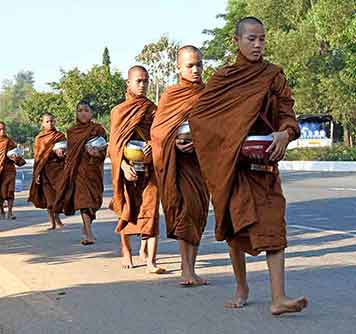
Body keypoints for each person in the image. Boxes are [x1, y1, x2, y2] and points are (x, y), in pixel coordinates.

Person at [190, 17, 308, 315]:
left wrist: (286, 132)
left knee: (274, 229)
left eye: (262, 39)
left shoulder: (273, 76)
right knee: (235, 229)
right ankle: (242, 286)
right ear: (237, 41)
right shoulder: (223, 79)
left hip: (264, 164)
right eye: (251, 39)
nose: (257, 45)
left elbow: (287, 113)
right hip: (234, 168)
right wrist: (231, 142)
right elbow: (201, 119)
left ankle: (278, 297)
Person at [151, 45, 210, 286]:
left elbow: (218, 128)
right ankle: (186, 269)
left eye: (199, 65)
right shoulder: (170, 95)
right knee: (185, 213)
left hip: (201, 164)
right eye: (190, 66)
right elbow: (157, 130)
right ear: (179, 68)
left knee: (198, 214)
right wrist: (174, 141)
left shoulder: (209, 94)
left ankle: (193, 269)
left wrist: (200, 141)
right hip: (179, 165)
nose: (195, 70)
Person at [109, 66, 164, 274]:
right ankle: (126, 251)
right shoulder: (119, 111)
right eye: (138, 81)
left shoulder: (153, 109)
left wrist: (153, 143)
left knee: (151, 210)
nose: (142, 85)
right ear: (128, 83)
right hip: (127, 169)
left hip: (149, 169)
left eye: (146, 81)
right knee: (127, 209)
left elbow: (160, 135)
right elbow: (114, 145)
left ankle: (151, 261)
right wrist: (122, 166)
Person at [54, 101, 106, 244]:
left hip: (93, 171)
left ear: (91, 113)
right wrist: (62, 154)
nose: (83, 113)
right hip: (78, 172)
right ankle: (89, 234)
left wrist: (96, 154)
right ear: (76, 113)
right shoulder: (72, 132)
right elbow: (70, 153)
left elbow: (104, 149)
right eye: (80, 110)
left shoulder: (98, 129)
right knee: (84, 201)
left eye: (86, 110)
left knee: (93, 202)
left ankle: (87, 226)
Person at [28, 113, 66, 230]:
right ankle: (52, 222)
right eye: (47, 122)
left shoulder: (60, 136)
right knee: (49, 197)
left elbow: (66, 151)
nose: (50, 123)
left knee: (58, 195)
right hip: (44, 170)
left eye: (52, 121)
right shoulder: (39, 138)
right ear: (43, 124)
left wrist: (62, 154)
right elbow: (38, 157)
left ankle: (57, 217)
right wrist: (37, 173)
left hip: (58, 169)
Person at [0, 122, 25, 220]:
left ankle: (10, 211)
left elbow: (16, 153)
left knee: (10, 191)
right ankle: (2, 212)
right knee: (1, 193)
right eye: (0, 129)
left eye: (4, 129)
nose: (2, 131)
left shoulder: (9, 141)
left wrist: (15, 158)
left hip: (9, 170)